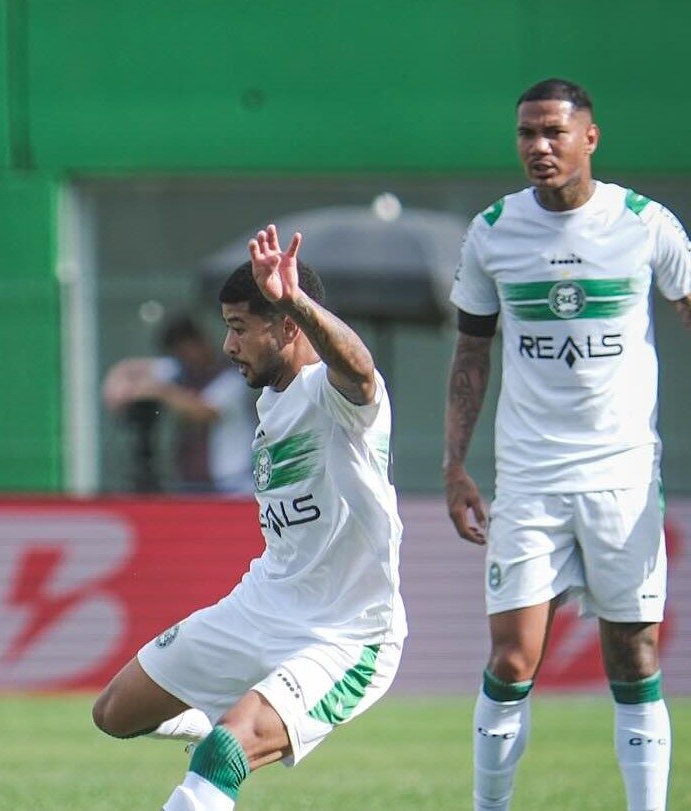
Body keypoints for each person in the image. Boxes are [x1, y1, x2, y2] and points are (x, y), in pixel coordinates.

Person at [92, 224, 406, 810]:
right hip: (261, 604)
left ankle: (221, 740)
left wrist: (298, 300)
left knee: (223, 757)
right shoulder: (270, 397)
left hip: (345, 630)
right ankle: (214, 721)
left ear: (287, 325)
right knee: (113, 712)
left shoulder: (334, 396)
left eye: (239, 329)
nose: (228, 346)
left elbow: (360, 371)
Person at [444, 77, 687, 811]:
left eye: (554, 131)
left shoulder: (646, 225)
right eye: (527, 134)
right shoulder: (492, 231)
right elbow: (470, 354)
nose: (539, 147)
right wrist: (454, 464)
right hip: (530, 477)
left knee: (634, 655)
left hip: (622, 476)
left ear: (591, 137)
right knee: (512, 657)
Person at [103, 314, 257, 494]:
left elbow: (201, 412)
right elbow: (131, 368)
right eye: (179, 353)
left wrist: (159, 391)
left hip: (232, 483)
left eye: (187, 350)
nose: (186, 357)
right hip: (191, 483)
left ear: (201, 342)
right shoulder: (180, 370)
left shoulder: (233, 377)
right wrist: (117, 385)